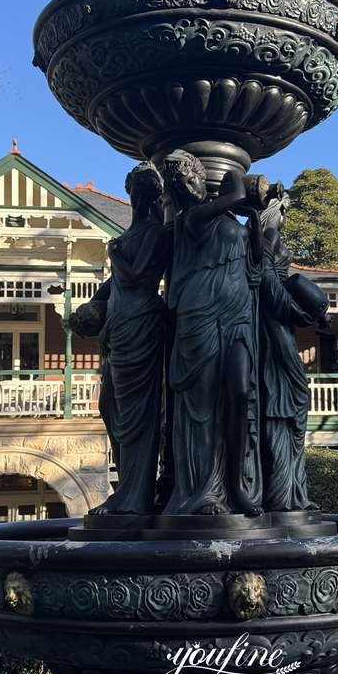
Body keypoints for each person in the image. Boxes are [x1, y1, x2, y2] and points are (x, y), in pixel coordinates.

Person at [161, 151, 262, 516]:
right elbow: (235, 192)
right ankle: (201, 491)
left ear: (203, 178)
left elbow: (256, 261)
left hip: (236, 317)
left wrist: (255, 220)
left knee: (240, 392)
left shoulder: (227, 216)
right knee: (201, 407)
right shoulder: (191, 218)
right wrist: (238, 180)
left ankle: (237, 484)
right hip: (199, 317)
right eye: (179, 185)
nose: (188, 188)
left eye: (192, 179)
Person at [70, 161, 170, 514]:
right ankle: (127, 487)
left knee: (139, 412)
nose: (139, 198)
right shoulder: (129, 235)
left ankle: (136, 496)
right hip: (119, 326)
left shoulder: (158, 232)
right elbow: (115, 286)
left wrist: (114, 255)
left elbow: (141, 275)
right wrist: (89, 309)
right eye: (135, 191)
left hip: (142, 320)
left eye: (144, 191)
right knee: (111, 408)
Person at [257, 190, 328, 511]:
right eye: (283, 211)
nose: (285, 218)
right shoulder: (267, 236)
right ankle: (284, 495)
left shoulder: (267, 238)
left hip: (279, 333)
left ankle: (291, 494)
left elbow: (272, 280)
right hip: (273, 333)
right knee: (284, 414)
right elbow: (268, 280)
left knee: (287, 416)